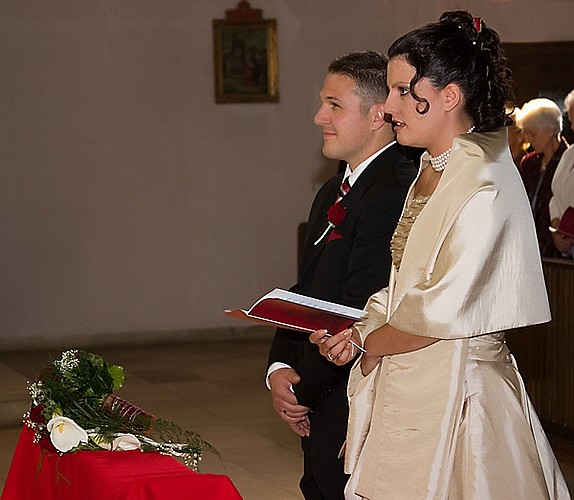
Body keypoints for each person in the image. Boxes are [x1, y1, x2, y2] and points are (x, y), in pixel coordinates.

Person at [310, 11, 570, 499]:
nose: (389, 106)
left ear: (449, 96)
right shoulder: (432, 167)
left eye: (402, 91)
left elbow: (441, 309)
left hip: (461, 395)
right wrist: (359, 331)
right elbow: (405, 282)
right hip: (413, 380)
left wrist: (369, 343)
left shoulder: (485, 181)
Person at [266, 51, 417, 500]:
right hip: (323, 392)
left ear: (378, 115)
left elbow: (360, 307)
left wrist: (303, 391)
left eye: (334, 105)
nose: (319, 117)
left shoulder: (394, 191)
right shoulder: (334, 189)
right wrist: (279, 367)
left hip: (354, 396)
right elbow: (309, 291)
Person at [518, 97, 569, 257]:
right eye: (527, 133)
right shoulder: (529, 162)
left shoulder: (568, 161)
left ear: (552, 130)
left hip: (557, 247)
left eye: (533, 133)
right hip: (529, 245)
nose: (529, 139)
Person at [550, 88, 574, 257]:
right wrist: (556, 224)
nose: (572, 127)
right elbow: (556, 194)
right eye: (571, 121)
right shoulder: (569, 154)